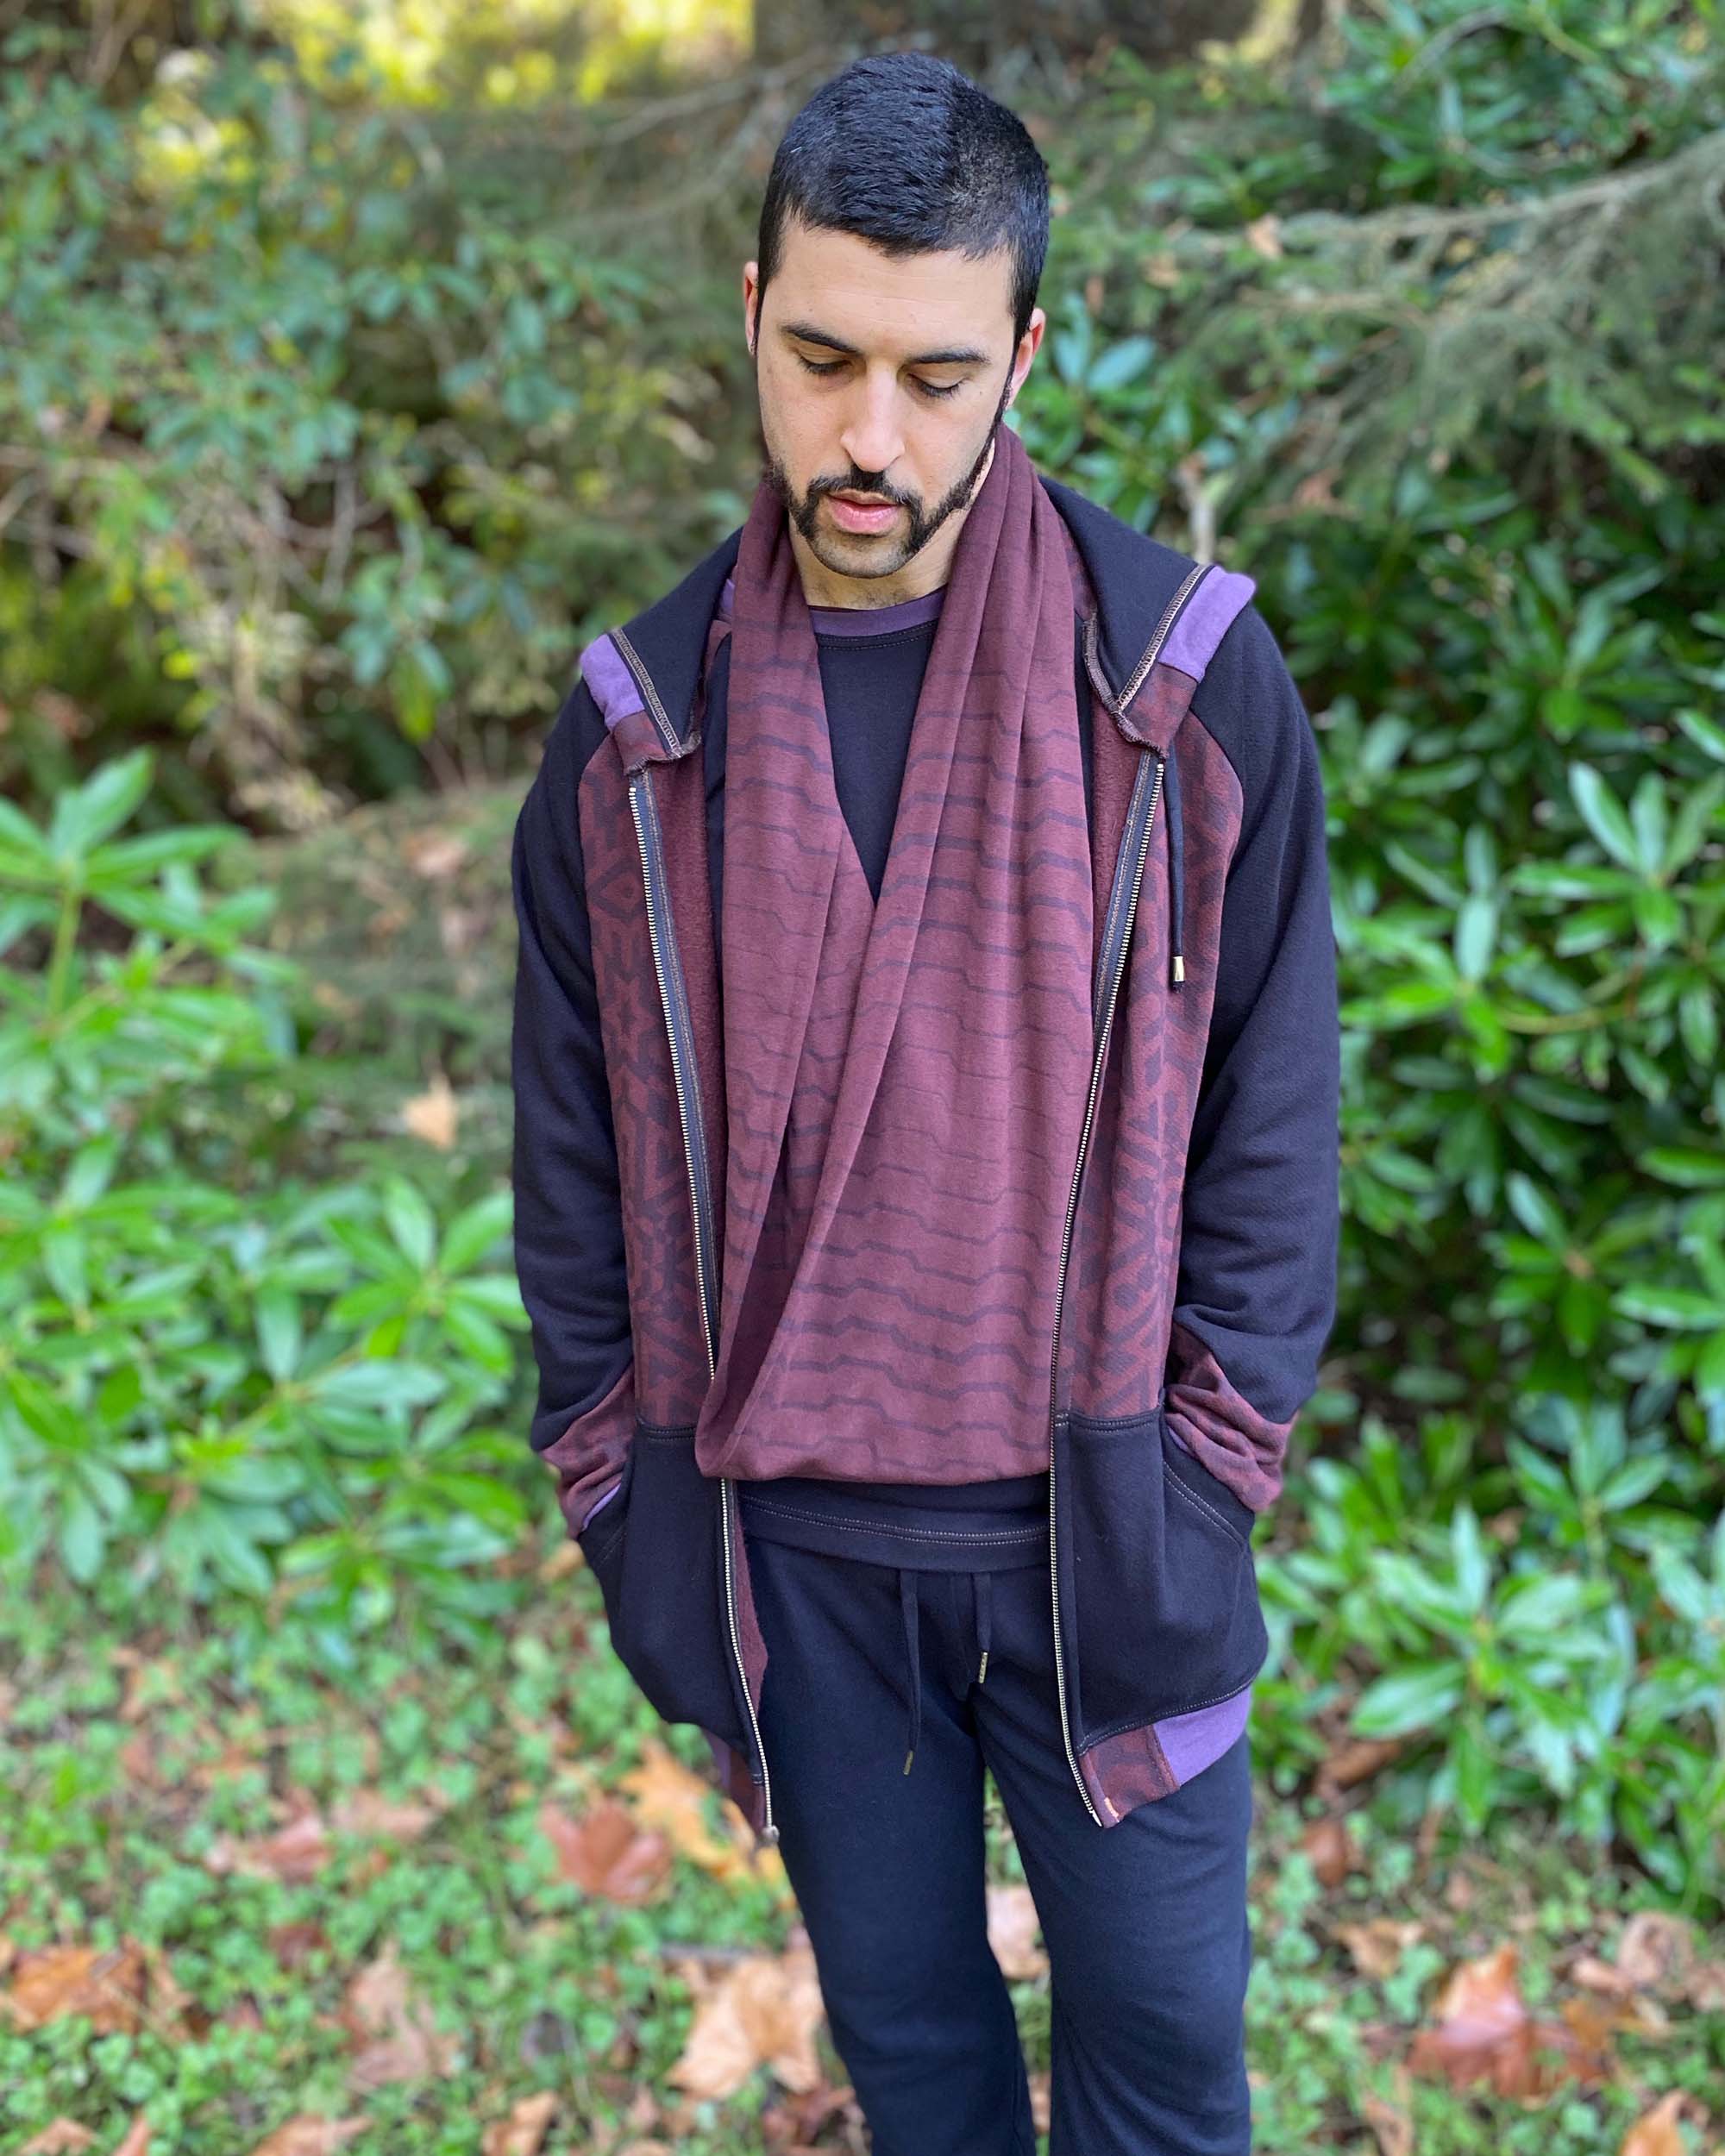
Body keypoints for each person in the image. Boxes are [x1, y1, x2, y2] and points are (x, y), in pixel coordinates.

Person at [510, 48, 1340, 2156]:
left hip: (1099, 1545)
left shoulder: (1177, 687)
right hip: (794, 1565)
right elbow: (573, 1173)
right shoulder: (639, 737)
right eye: (822, 358)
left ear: (1027, 353)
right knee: (918, 2060)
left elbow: (1276, 1113)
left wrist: (1208, 1460)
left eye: (937, 375)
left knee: (1164, 2074)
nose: (869, 436)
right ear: (753, 310)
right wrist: (630, 1508)